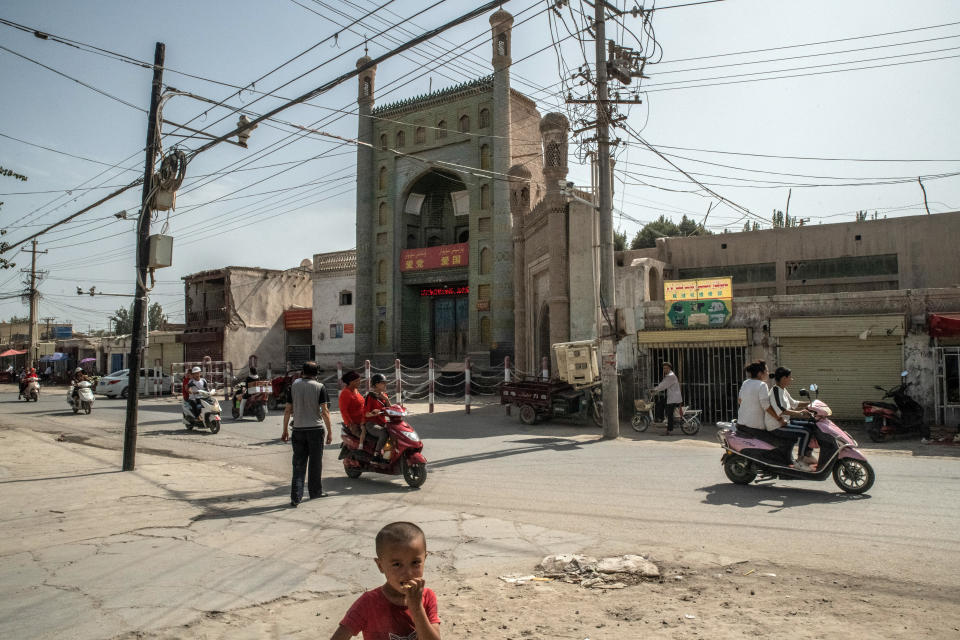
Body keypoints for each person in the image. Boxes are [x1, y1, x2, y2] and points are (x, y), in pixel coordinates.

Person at [331, 521, 441, 640]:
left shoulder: (427, 597)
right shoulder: (368, 603)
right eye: (397, 564)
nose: (408, 573)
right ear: (380, 566)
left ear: (424, 559)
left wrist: (417, 608)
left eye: (415, 563)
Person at [282, 360, 332, 507]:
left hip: (298, 430)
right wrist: (329, 431)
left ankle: (296, 496)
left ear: (302, 372)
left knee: (298, 464)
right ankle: (315, 491)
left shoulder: (293, 386)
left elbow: (287, 410)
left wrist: (285, 430)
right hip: (315, 430)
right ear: (316, 374)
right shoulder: (320, 387)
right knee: (315, 463)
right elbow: (325, 412)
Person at [736, 360, 798, 465]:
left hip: (741, 423)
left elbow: (740, 400)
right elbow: (766, 406)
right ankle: (782, 464)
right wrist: (779, 419)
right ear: (760, 373)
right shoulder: (762, 385)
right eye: (766, 370)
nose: (768, 373)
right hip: (754, 427)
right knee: (784, 441)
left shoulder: (746, 383)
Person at [766, 367, 817, 470]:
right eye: (790, 377)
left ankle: (808, 454)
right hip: (776, 425)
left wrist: (812, 403)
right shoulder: (775, 391)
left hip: (785, 422)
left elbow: (794, 403)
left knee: (812, 426)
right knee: (806, 432)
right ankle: (801, 460)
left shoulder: (782, 390)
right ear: (784, 378)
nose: (791, 379)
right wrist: (800, 413)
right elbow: (781, 409)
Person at [362, 373, 391, 458]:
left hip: (382, 422)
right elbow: (366, 414)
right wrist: (374, 413)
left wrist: (386, 399)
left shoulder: (384, 395)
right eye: (383, 383)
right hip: (371, 424)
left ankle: (388, 453)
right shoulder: (370, 396)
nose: (385, 384)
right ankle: (377, 454)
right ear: (376, 384)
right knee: (384, 433)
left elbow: (390, 409)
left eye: (385, 382)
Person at [651, 362, 682, 435]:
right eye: (664, 368)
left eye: (666, 368)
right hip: (672, 396)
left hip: (673, 397)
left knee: (669, 414)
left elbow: (663, 385)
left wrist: (655, 390)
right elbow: (663, 383)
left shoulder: (670, 376)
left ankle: (669, 430)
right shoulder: (669, 375)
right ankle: (661, 419)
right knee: (660, 403)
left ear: (670, 368)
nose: (665, 369)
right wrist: (656, 389)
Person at [339, 371, 366, 439]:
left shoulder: (355, 390)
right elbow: (343, 411)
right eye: (357, 381)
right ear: (350, 382)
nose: (359, 382)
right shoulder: (345, 393)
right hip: (355, 424)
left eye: (359, 380)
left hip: (363, 421)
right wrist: (351, 424)